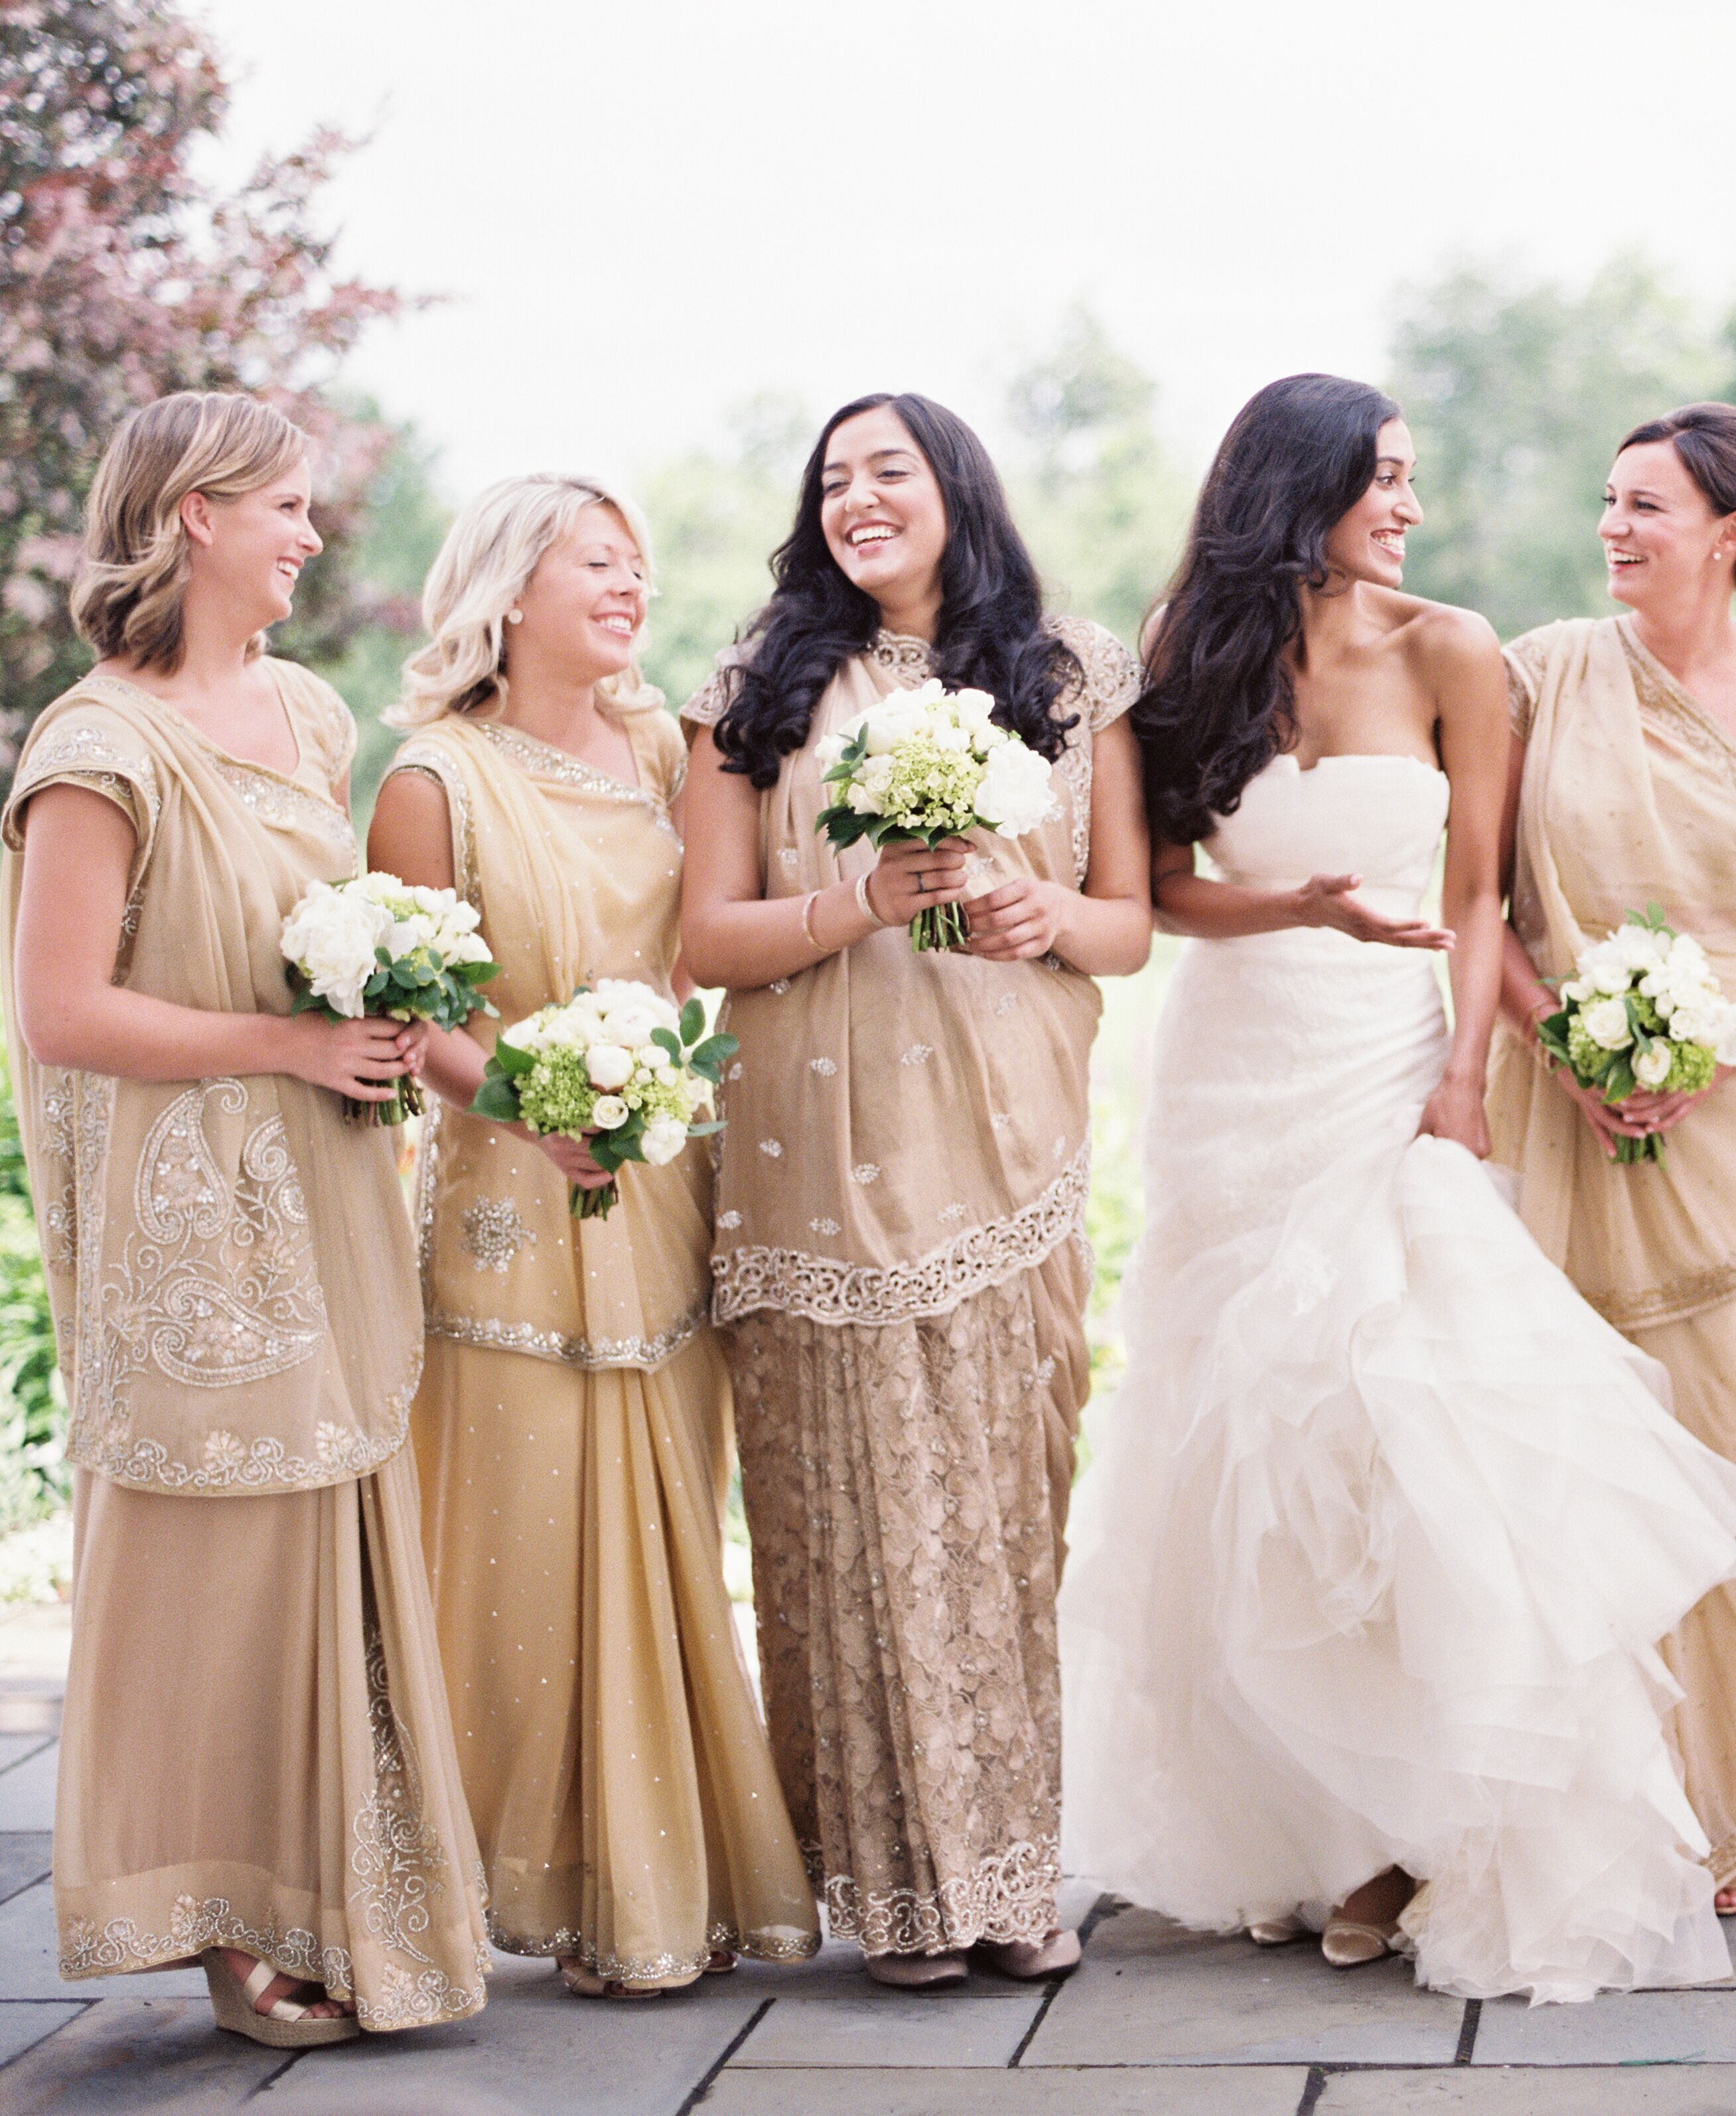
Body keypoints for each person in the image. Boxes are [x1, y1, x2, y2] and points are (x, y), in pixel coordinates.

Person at [1058, 375, 1736, 2005]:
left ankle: (1420, 1821)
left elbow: (1477, 891)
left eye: (1407, 477)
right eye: (1379, 478)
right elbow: (1162, 886)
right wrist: (1294, 907)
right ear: (1294, 485)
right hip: (1232, 1066)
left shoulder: (1455, 649)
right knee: (1237, 1426)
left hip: (1385, 1065)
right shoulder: (1197, 651)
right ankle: (1304, 1816)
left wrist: (1462, 1074)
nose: (1403, 504)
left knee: (1397, 1413)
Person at [1, 391, 489, 2044]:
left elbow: (354, 948)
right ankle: (221, 1916)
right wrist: (288, 1045)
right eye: (281, 505)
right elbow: (62, 1013)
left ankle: (347, 1898)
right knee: (224, 1564)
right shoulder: (94, 750)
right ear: (192, 514)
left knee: (334, 1540)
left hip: (332, 1187)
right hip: (191, 1235)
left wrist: (508, 1091)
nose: (308, 533)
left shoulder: (306, 713)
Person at [678, 391, 1150, 1987]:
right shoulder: (756, 688)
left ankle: (1010, 1878)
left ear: (957, 484)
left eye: (887, 470)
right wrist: (858, 897)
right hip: (815, 1156)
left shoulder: (1070, 676)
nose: (857, 498)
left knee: (1001, 1511)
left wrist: (1035, 915)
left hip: (1005, 1145)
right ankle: (894, 1895)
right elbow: (705, 939)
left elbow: (1127, 922)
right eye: (830, 480)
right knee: (849, 1515)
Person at [369, 472, 818, 1995]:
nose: (632, 588)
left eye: (638, 565)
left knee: (670, 1509)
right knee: (520, 1531)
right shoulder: (432, 780)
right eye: (597, 564)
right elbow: (408, 999)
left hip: (661, 1182)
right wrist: (522, 1097)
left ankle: (656, 1885)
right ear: (509, 588)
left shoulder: (659, 745)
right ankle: (497, 1883)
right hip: (507, 1198)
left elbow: (705, 933)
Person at [1488, 403, 1736, 1915]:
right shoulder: (1538, 673)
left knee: (1727, 1465)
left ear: (1732, 529)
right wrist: (1566, 1044)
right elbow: (1486, 907)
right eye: (1607, 501)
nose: (1614, 529)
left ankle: (1720, 1814)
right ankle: (1582, 1803)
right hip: (1551, 1110)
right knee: (1559, 1473)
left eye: (1648, 505)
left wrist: (1707, 1050)